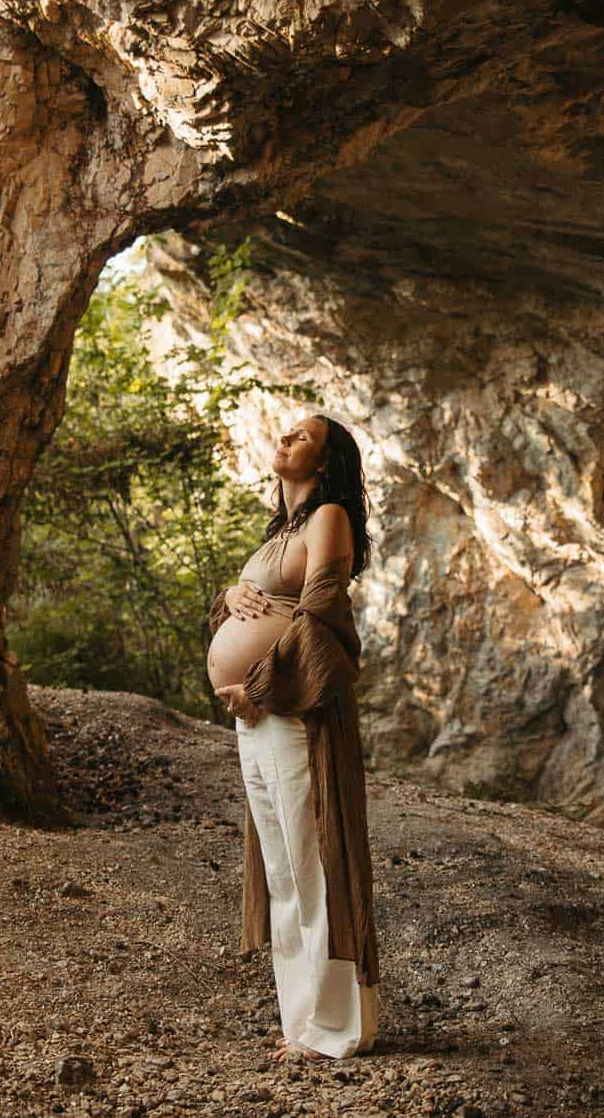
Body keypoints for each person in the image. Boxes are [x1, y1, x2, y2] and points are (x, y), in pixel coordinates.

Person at [206, 412, 381, 1063]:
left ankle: (342, 1026)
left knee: (313, 860)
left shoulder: (329, 516)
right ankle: (303, 1021)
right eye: (283, 432)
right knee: (280, 868)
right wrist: (231, 592)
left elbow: (321, 621)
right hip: (255, 715)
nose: (283, 438)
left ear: (327, 459)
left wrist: (257, 686)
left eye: (302, 436)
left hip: (295, 707)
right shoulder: (276, 532)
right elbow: (249, 607)